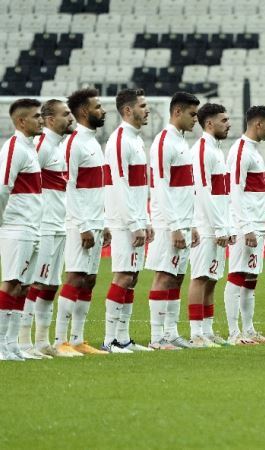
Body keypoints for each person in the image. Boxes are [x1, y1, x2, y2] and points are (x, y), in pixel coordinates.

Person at [0, 98, 44, 361]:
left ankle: (13, 345)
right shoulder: (14, 148)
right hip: (17, 227)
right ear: (22, 121)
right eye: (36, 116)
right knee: (11, 283)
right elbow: (2, 189)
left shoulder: (30, 148)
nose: (41, 120)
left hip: (32, 227)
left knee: (24, 285)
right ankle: (0, 347)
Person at [146, 92, 200, 349]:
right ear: (177, 112)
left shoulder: (181, 142)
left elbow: (185, 189)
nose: (196, 120)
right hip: (167, 223)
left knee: (177, 277)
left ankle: (171, 332)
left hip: (184, 221)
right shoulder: (163, 141)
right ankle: (158, 337)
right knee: (164, 275)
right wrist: (175, 226)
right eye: (192, 114)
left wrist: (192, 224)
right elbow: (160, 186)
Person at [57, 88, 110, 355]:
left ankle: (78, 339)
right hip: (79, 224)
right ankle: (59, 341)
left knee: (89, 280)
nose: (103, 111)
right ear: (83, 112)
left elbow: (96, 188)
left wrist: (104, 221)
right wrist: (82, 225)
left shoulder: (93, 142)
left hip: (97, 221)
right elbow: (68, 187)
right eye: (98, 106)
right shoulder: (73, 143)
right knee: (75, 276)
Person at [102, 88, 153, 353]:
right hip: (122, 220)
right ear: (127, 111)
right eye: (143, 106)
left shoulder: (134, 139)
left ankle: (123, 338)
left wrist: (145, 219)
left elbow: (138, 187)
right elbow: (120, 184)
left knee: (132, 277)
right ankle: (110, 339)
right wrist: (133, 223)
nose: (148, 110)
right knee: (122, 275)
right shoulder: (120, 139)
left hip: (133, 218)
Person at [27, 99, 77, 357]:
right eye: (65, 114)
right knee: (35, 283)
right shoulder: (41, 146)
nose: (71, 118)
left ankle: (42, 342)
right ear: (49, 120)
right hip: (43, 225)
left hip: (59, 225)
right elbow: (25, 184)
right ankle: (24, 343)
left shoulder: (58, 146)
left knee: (50, 284)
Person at [224, 106, 265, 344]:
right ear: (258, 125)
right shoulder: (240, 151)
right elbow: (234, 190)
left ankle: (249, 330)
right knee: (237, 275)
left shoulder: (253, 151)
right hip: (245, 226)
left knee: (251, 278)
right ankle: (234, 333)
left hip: (257, 225)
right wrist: (245, 227)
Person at [188, 103, 233, 347]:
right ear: (209, 124)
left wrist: (227, 225)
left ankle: (207, 329)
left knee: (213, 277)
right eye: (224, 120)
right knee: (200, 276)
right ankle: (196, 333)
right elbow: (203, 191)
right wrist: (217, 226)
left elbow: (221, 194)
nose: (228, 124)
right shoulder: (202, 150)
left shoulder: (215, 150)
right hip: (206, 225)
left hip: (218, 225)